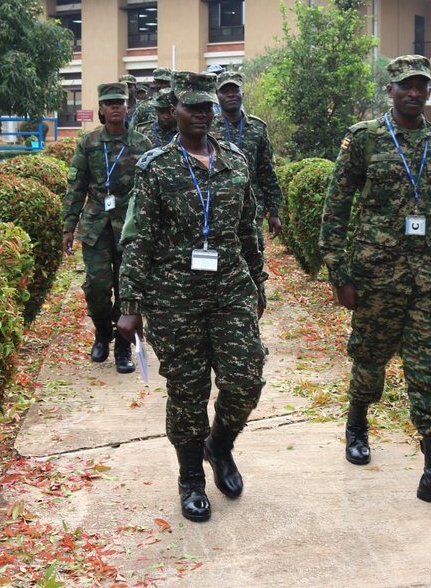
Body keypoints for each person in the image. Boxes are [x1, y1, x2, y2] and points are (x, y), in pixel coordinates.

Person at [319, 55, 431, 516]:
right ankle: (357, 423)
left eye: (421, 86)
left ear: (428, 92)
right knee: (369, 360)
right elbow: (336, 205)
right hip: (377, 278)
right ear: (390, 90)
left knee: (429, 373)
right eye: (405, 85)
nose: (413, 93)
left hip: (429, 279)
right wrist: (338, 272)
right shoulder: (364, 138)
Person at [117, 70, 267, 523]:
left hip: (230, 291)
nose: (201, 114)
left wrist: (258, 283)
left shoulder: (236, 161)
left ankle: (218, 445)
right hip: (173, 297)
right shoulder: (157, 166)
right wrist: (130, 305)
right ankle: (191, 479)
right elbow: (139, 238)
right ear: (174, 111)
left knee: (245, 380)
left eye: (207, 107)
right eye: (192, 107)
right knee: (187, 392)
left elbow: (248, 229)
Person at [63, 82, 153, 373]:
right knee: (97, 287)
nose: (115, 107)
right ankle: (102, 332)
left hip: (130, 227)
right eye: (109, 103)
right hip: (95, 225)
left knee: (127, 288)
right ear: (101, 109)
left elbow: (154, 190)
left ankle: (123, 347)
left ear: (127, 107)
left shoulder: (142, 144)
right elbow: (76, 187)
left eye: (120, 102)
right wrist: (68, 226)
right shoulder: (88, 143)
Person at [209, 71, 282, 253]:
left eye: (235, 90)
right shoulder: (208, 128)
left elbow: (267, 171)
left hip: (252, 205)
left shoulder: (258, 128)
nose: (231, 95)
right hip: (216, 205)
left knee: (253, 254)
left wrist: (274, 211)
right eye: (225, 91)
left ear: (243, 94)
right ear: (217, 96)